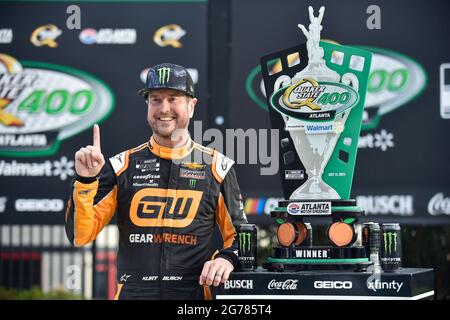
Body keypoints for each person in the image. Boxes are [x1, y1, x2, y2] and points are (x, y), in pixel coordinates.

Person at [65, 63, 248, 300]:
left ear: (191, 106)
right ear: (147, 106)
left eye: (173, 99)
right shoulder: (121, 166)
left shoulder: (217, 167)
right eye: (156, 100)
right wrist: (85, 181)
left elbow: (242, 235)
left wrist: (227, 258)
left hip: (193, 297)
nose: (164, 108)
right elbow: (80, 235)